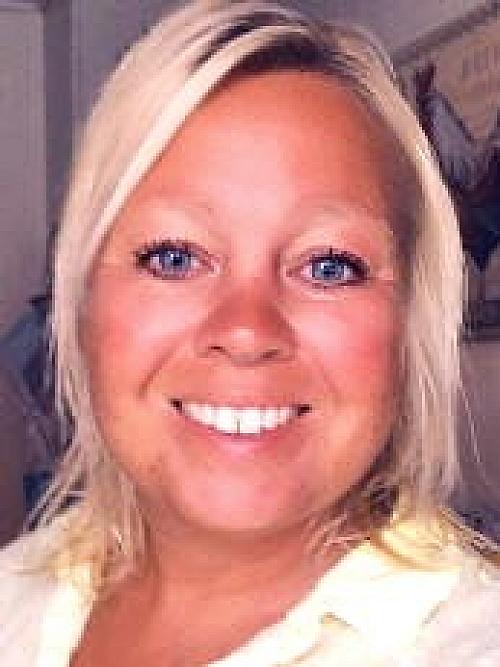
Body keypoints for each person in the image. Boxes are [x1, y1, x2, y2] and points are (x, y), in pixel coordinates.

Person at [1, 1, 500, 664]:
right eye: (174, 256)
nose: (245, 331)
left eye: (328, 266)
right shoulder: (18, 587)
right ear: (84, 295)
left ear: (410, 317)